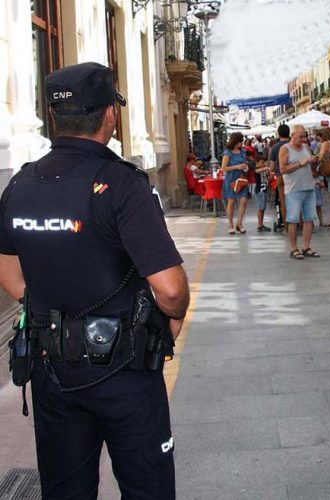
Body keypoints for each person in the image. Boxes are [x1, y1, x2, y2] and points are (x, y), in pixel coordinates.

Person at [0, 62, 189, 498]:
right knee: (147, 489)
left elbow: (7, 268)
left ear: (52, 116)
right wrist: (173, 318)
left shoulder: (21, 184)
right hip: (125, 369)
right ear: (110, 115)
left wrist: (50, 311)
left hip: (52, 371)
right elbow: (171, 287)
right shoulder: (121, 184)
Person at [279, 124, 320, 259]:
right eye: (300, 136)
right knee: (293, 219)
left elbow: (309, 163)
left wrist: (314, 161)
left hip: (309, 187)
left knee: (309, 219)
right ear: (292, 135)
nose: (303, 139)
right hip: (293, 189)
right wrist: (299, 164)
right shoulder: (285, 149)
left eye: (304, 136)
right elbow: (283, 169)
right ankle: (293, 248)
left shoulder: (306, 147)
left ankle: (306, 247)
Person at [221, 132, 250, 235]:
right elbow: (223, 168)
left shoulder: (243, 152)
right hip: (231, 180)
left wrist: (245, 167)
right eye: (240, 141)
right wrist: (236, 167)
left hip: (241, 179)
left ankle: (239, 223)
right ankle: (230, 225)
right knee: (231, 202)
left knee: (244, 201)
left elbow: (245, 162)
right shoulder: (227, 153)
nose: (241, 143)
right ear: (235, 141)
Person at [268, 124, 291, 230]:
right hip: (293, 175)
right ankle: (299, 224)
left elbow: (271, 166)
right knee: (297, 200)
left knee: (283, 201)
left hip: (280, 176)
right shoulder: (293, 144)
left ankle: (286, 226)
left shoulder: (274, 147)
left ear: (278, 133)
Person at [253, 157, 272, 232]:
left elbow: (268, 179)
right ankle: (259, 225)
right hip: (259, 191)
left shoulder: (264, 170)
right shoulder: (256, 169)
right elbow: (257, 171)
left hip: (264, 190)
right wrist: (266, 168)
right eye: (261, 162)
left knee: (263, 208)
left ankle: (261, 224)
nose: (263, 164)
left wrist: (269, 175)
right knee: (260, 208)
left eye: (264, 162)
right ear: (257, 163)